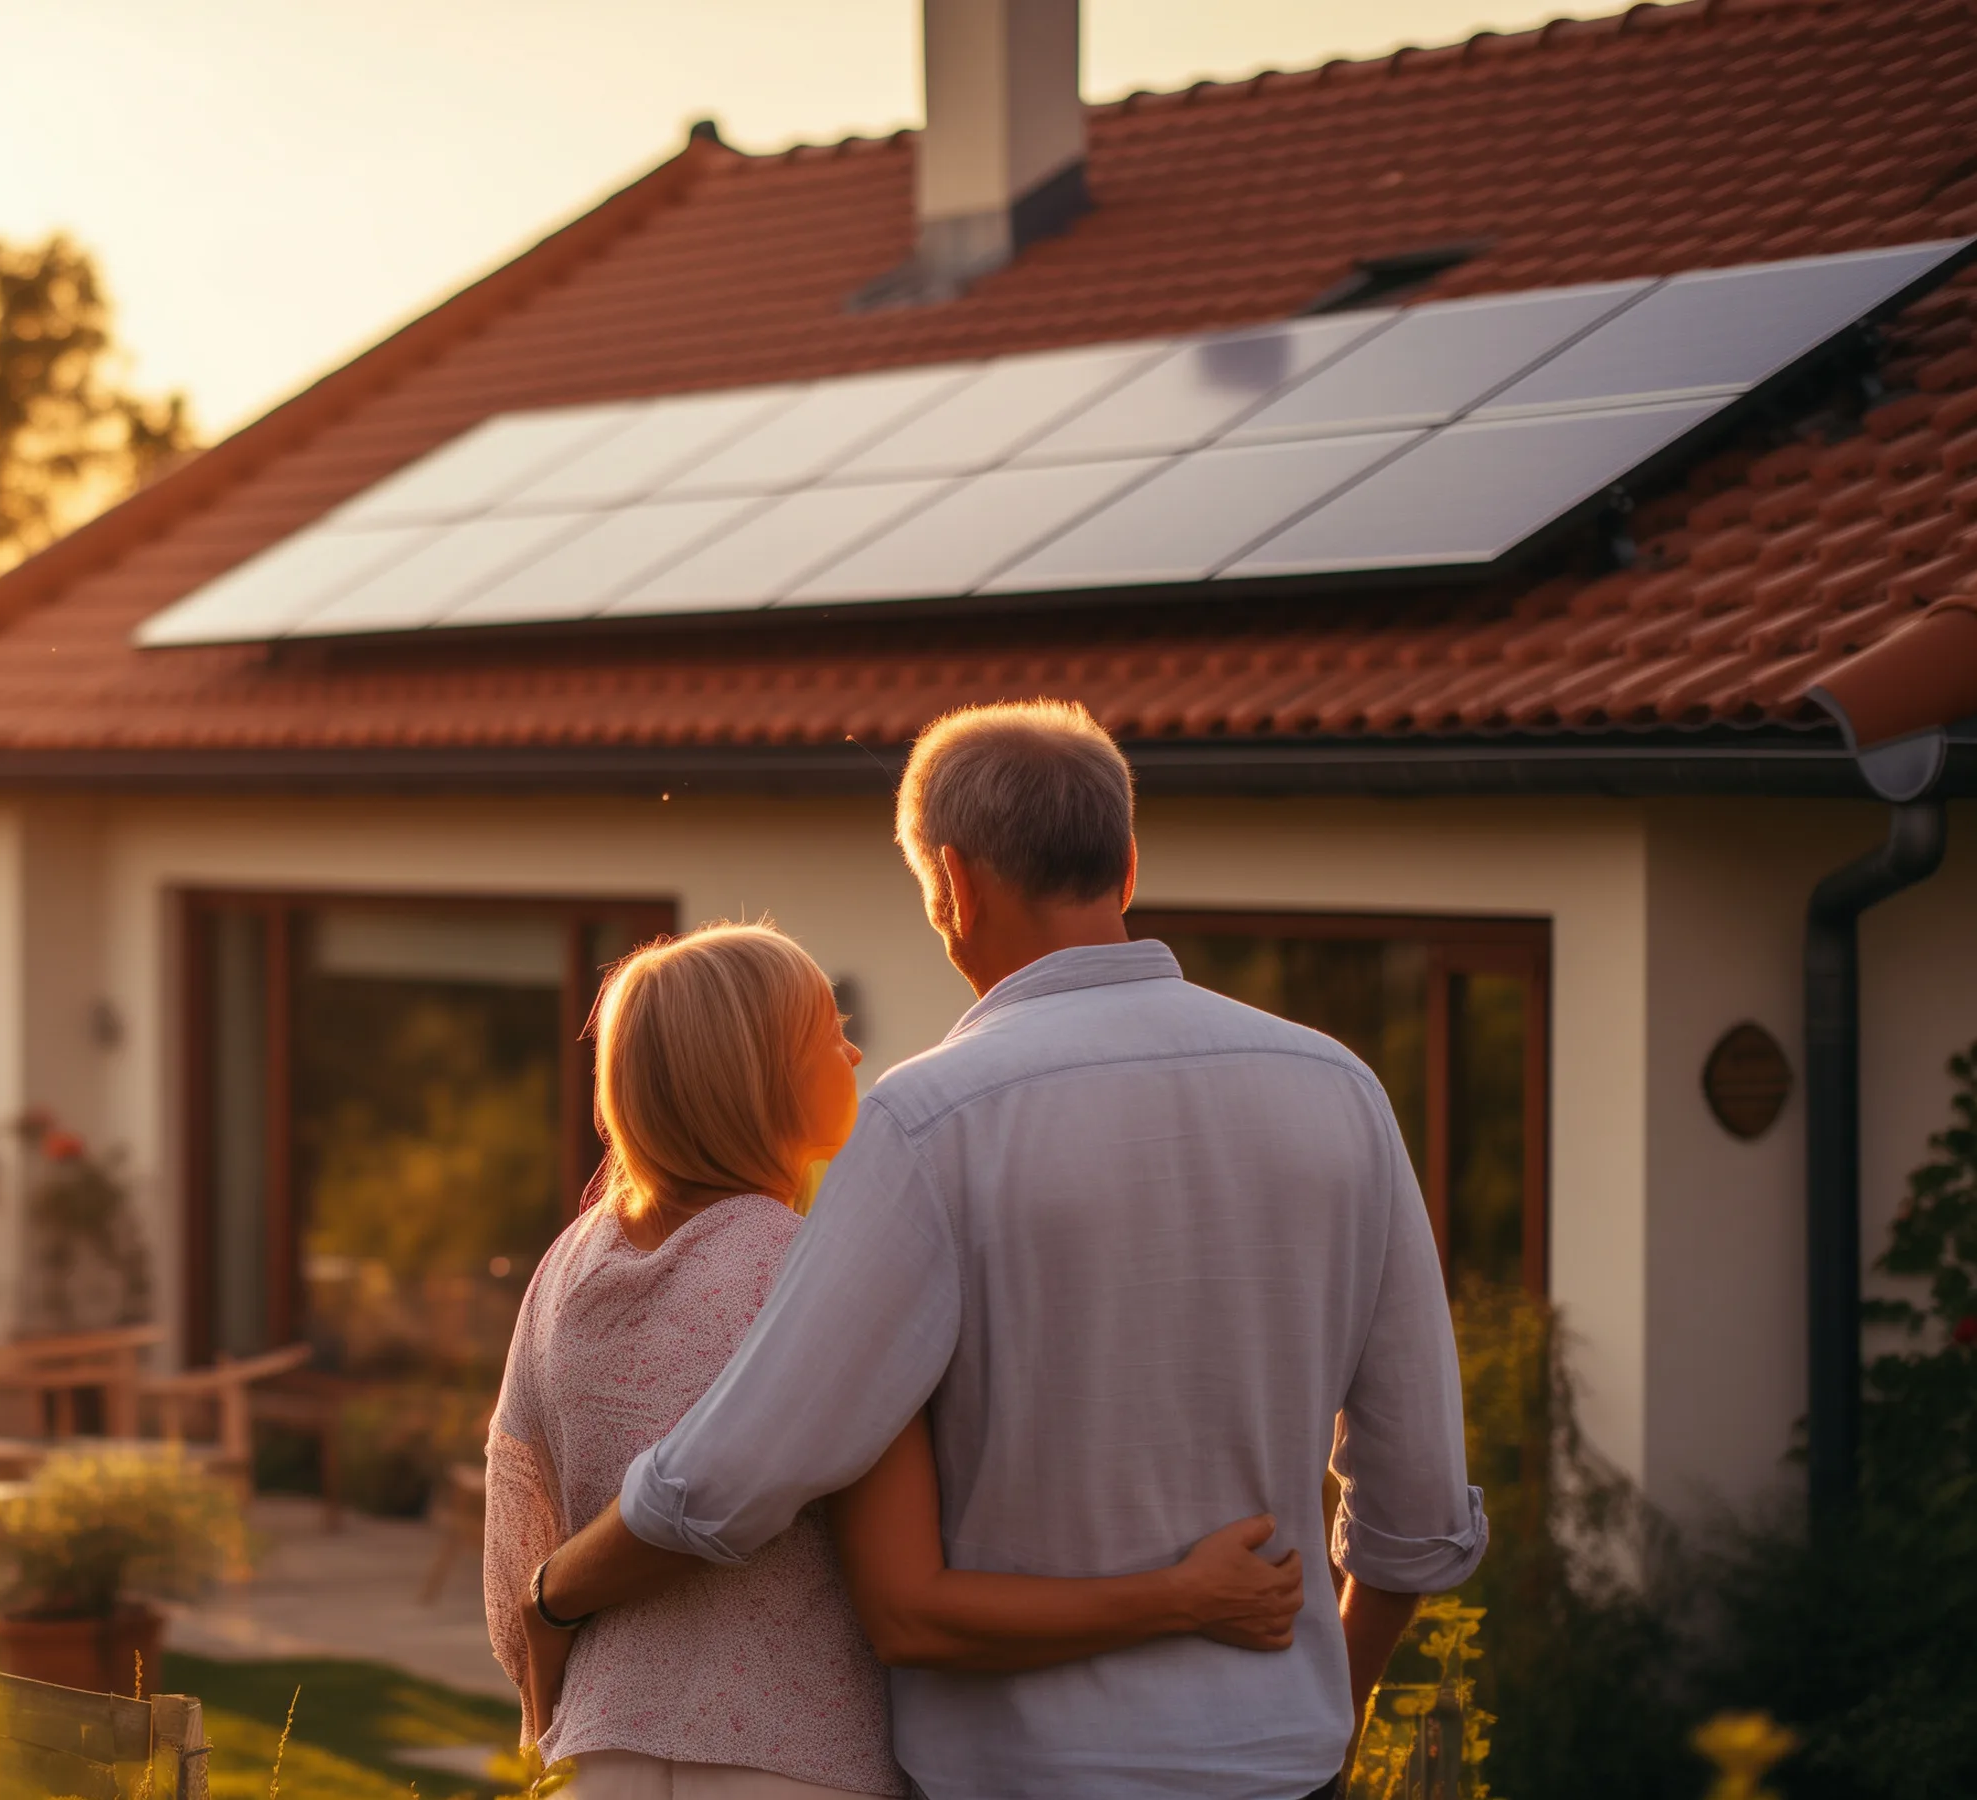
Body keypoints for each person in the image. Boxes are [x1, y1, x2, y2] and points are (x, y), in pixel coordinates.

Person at [518, 701, 1488, 1800]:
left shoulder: (930, 1121)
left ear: (952, 885)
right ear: (1124, 867)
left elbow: (731, 1476)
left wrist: (553, 1595)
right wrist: (1326, 1715)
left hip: (1022, 1774)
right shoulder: (1339, 1093)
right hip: (1279, 1766)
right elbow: (1414, 1511)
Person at [486, 921, 1310, 1800]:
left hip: (606, 1765)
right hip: (799, 1767)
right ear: (757, 1072)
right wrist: (1181, 1593)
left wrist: (560, 1658)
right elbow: (918, 1594)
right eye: (825, 1031)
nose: (852, 1049)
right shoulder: (811, 1273)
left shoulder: (570, 1269)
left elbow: (516, 1569)